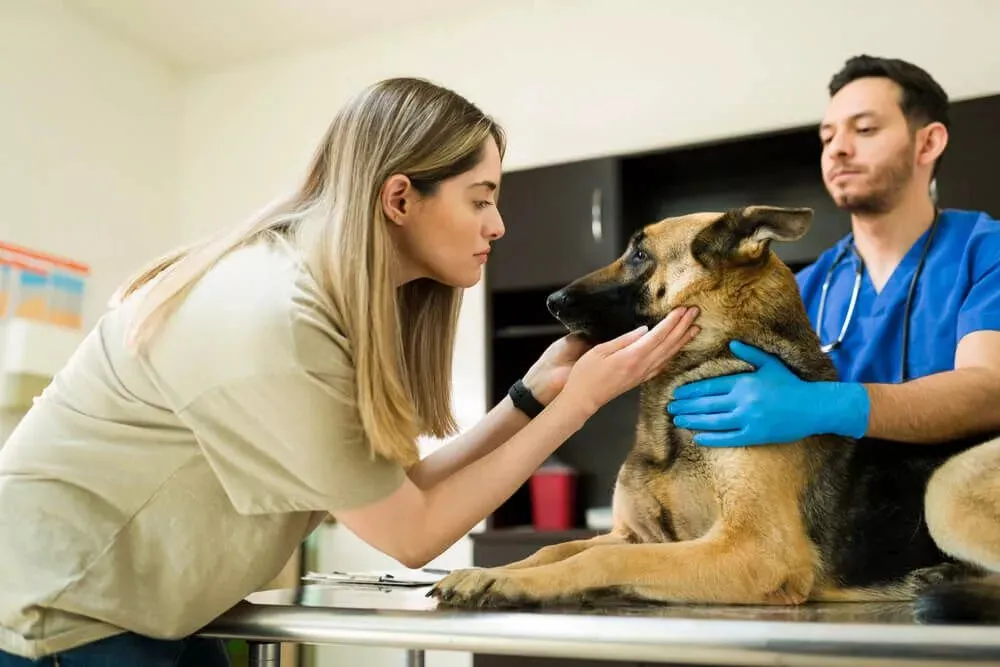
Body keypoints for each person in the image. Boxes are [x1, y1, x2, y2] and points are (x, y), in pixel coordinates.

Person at [0, 77, 701, 665]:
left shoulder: (322, 303)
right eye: (481, 198)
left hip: (152, 610)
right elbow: (413, 531)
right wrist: (576, 405)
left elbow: (394, 490)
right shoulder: (272, 315)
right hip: (61, 614)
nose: (498, 225)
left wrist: (528, 397)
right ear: (399, 199)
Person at [667, 57, 1000, 580]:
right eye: (827, 136)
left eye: (864, 129)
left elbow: (990, 389)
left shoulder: (986, 252)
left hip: (972, 520)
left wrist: (831, 404)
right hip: (860, 544)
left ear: (928, 143)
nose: (838, 149)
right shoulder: (806, 286)